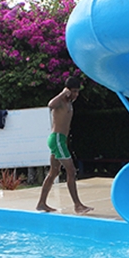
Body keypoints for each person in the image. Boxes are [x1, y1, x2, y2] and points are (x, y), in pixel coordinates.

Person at [35, 77, 93, 214]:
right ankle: (78, 205)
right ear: (67, 90)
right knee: (71, 171)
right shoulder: (61, 101)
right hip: (57, 139)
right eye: (73, 91)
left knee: (54, 172)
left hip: (60, 140)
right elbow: (50, 105)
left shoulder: (69, 102)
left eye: (77, 92)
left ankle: (41, 203)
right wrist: (63, 93)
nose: (76, 95)